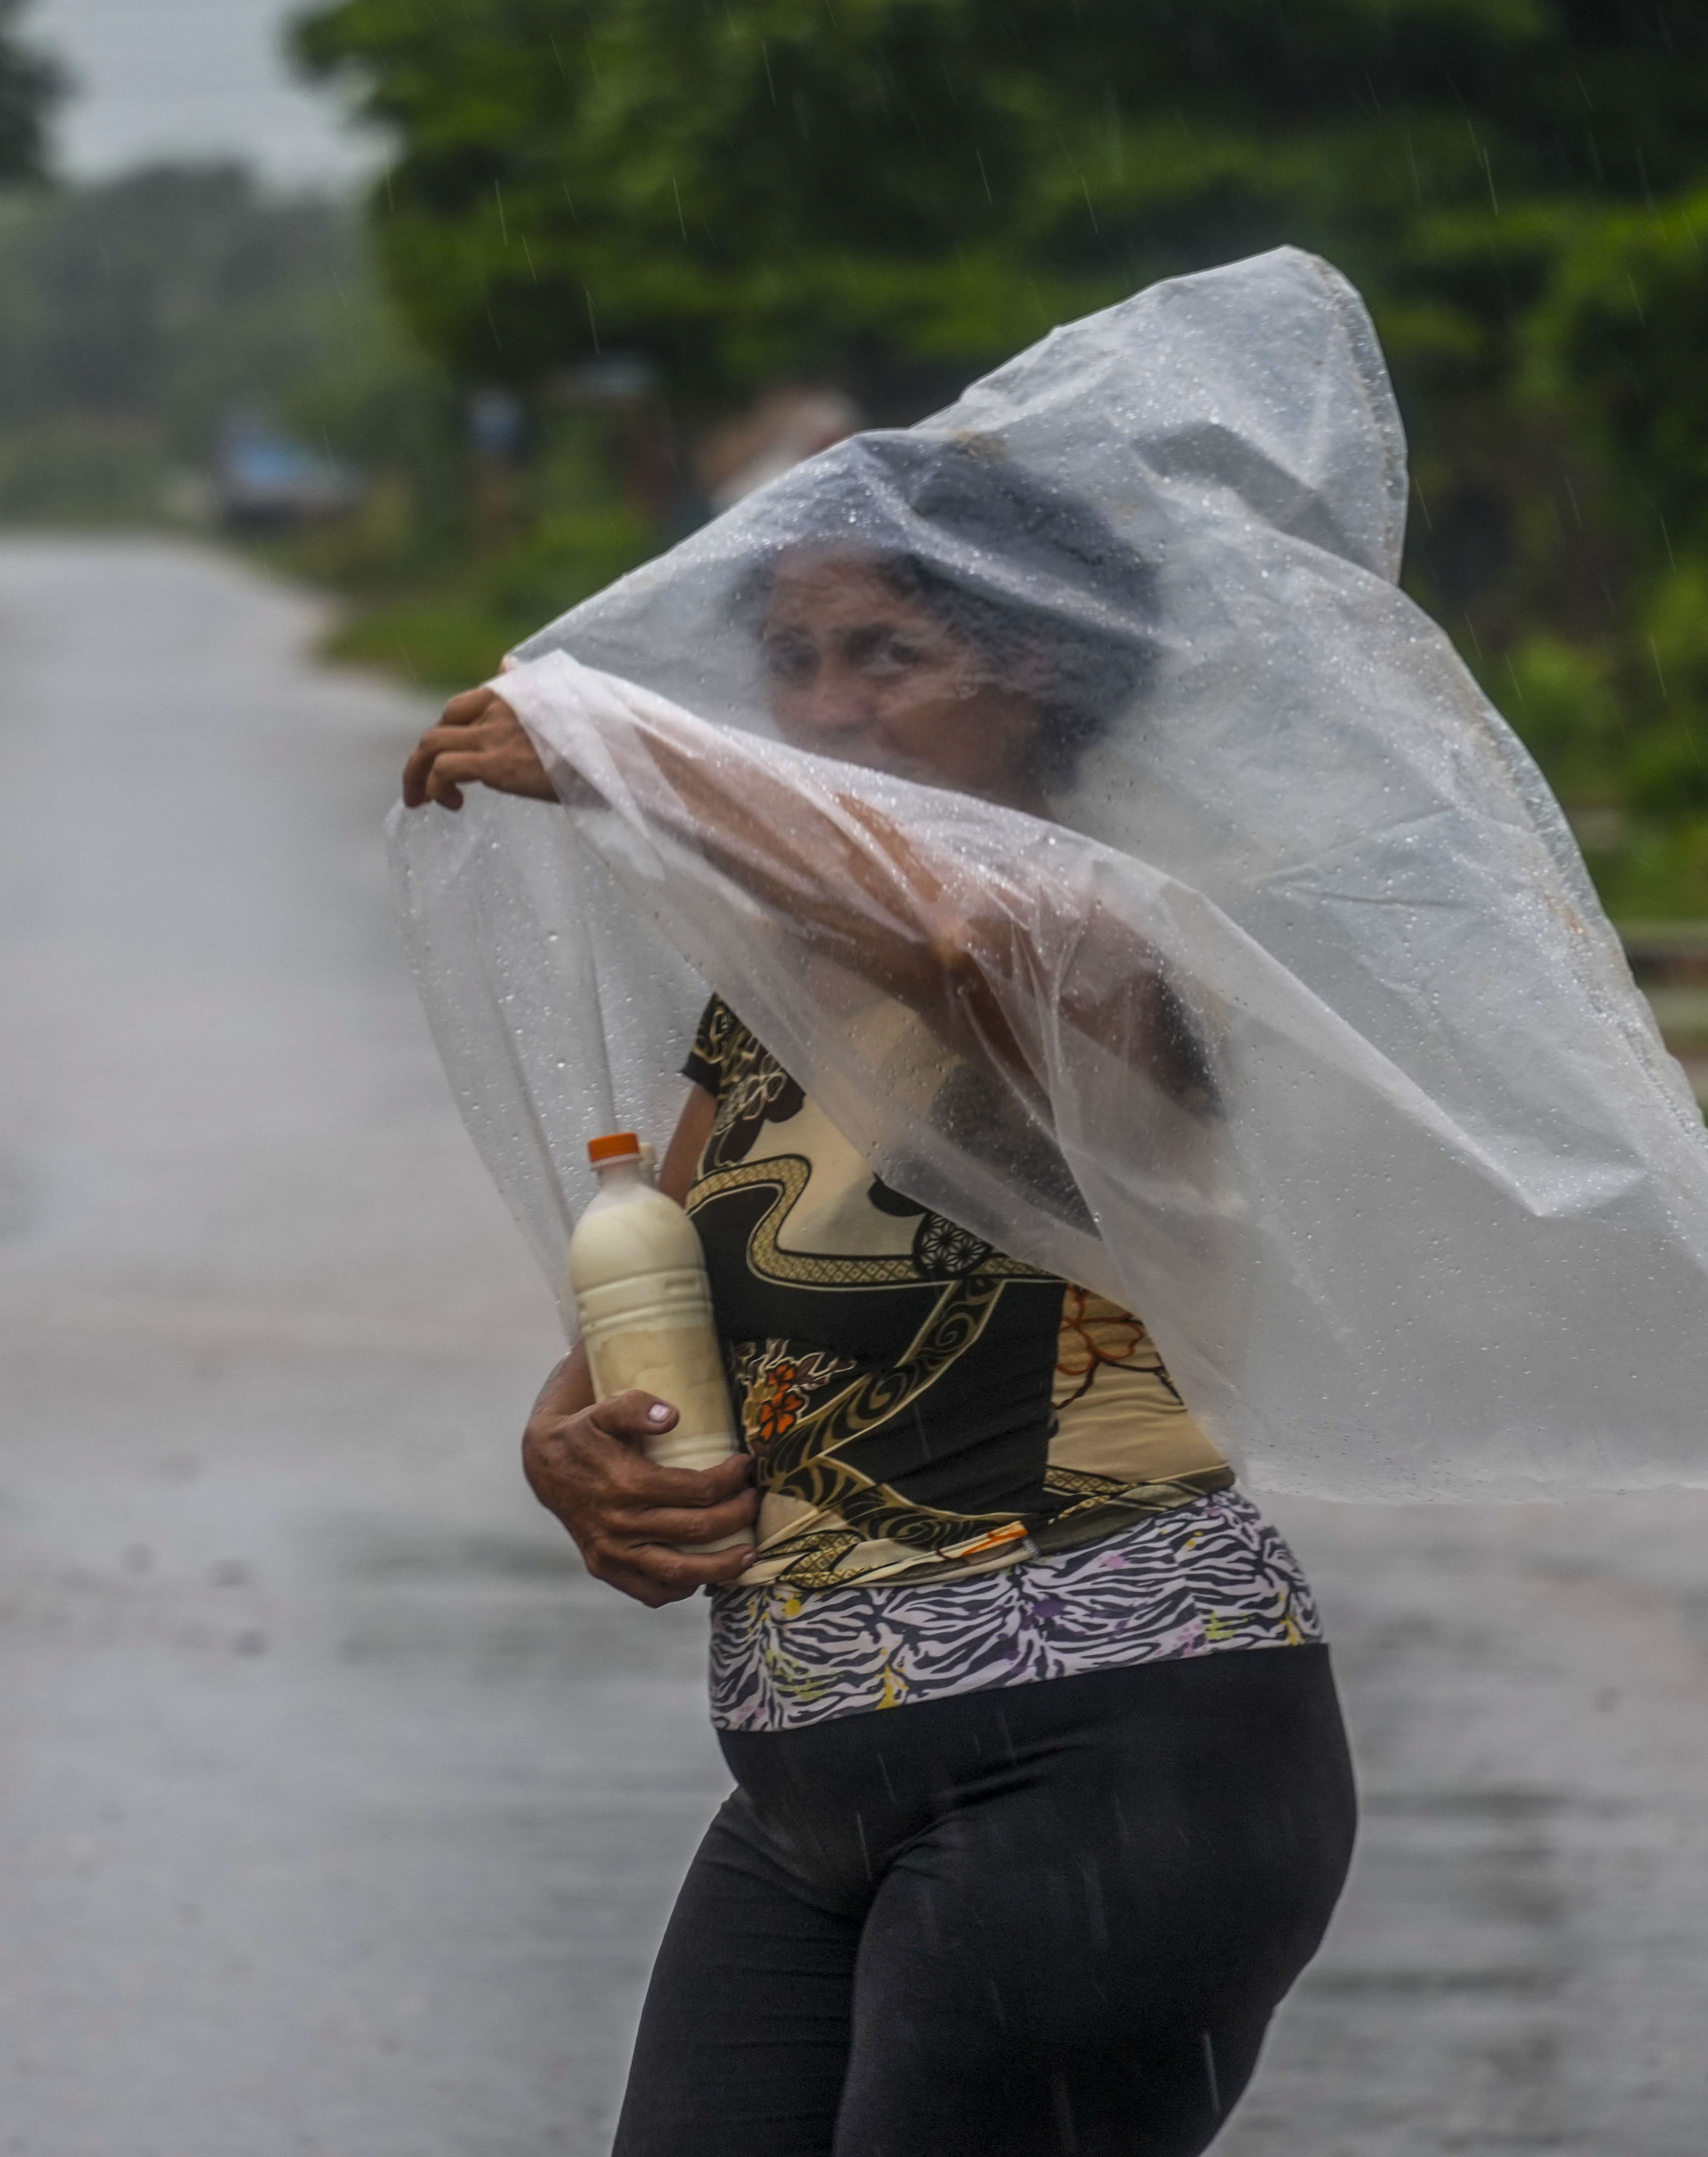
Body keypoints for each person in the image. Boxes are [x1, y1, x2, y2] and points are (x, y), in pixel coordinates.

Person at [402, 441, 1356, 2157]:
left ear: (1040, 669)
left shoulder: (1114, 935)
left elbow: (979, 950)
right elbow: (654, 1322)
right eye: (789, 658)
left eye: (886, 655)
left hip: (1113, 1755)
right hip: (804, 1783)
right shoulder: (781, 980)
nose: (823, 708)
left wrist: (642, 772)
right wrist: (575, 1460)